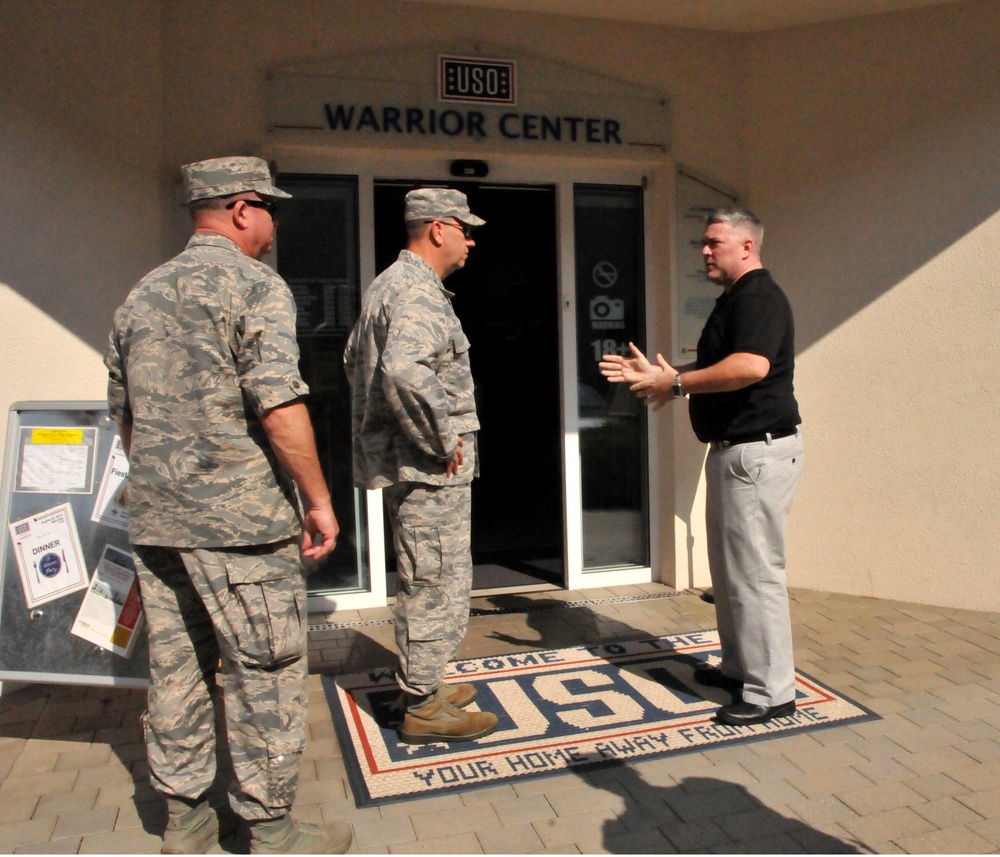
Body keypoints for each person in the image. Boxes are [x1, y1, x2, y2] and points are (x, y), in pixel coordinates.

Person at [105, 156, 353, 854]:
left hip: (159, 522)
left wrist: (166, 483)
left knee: (177, 669)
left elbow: (124, 415)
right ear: (242, 208)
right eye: (269, 207)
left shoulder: (142, 295)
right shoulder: (254, 286)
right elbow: (277, 404)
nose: (274, 223)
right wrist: (320, 501)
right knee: (264, 672)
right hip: (241, 527)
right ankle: (271, 829)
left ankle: (184, 820)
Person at [601, 206, 803, 727]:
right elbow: (722, 364)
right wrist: (670, 374)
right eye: (704, 243)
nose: (705, 251)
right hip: (736, 453)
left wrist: (677, 384)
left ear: (746, 247)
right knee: (733, 573)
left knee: (756, 575)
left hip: (756, 454)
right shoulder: (737, 298)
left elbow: (750, 366)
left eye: (714, 242)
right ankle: (740, 669)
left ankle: (771, 691)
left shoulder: (758, 296)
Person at [344, 188, 498, 745]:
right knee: (435, 581)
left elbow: (360, 363)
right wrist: (442, 436)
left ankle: (424, 681)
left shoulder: (393, 285)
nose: (471, 239)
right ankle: (424, 705)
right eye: (464, 227)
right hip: (428, 469)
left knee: (428, 575)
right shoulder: (414, 292)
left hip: (416, 464)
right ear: (437, 229)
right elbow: (404, 371)